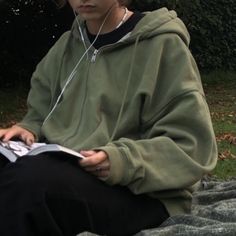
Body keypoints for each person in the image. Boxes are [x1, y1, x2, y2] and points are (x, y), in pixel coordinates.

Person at [0, 0, 217, 235]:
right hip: (68, 171)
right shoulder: (66, 47)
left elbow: (192, 146)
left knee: (29, 185)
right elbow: (41, 111)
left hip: (143, 195)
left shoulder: (163, 44)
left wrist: (121, 160)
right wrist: (28, 128)